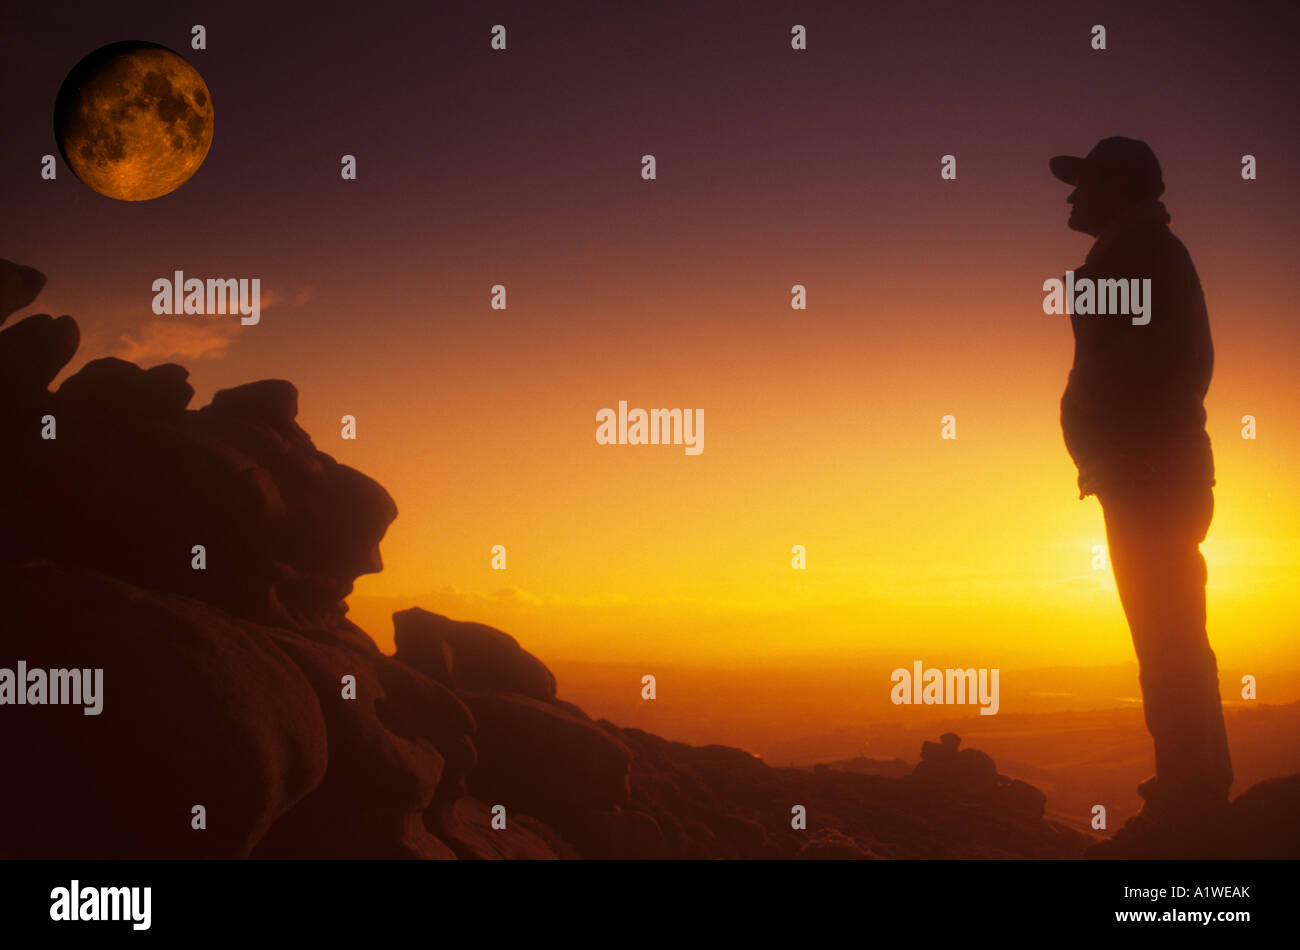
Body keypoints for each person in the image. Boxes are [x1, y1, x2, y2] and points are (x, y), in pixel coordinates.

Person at [1049, 137, 1233, 856]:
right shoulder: (1138, 256)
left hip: (1150, 481)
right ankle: (1190, 792)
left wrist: (1110, 446)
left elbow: (1141, 375)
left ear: (1119, 186)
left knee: (1168, 639)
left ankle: (1188, 803)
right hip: (1151, 477)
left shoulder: (1142, 258)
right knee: (1169, 636)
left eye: (1083, 183)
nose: (1070, 198)